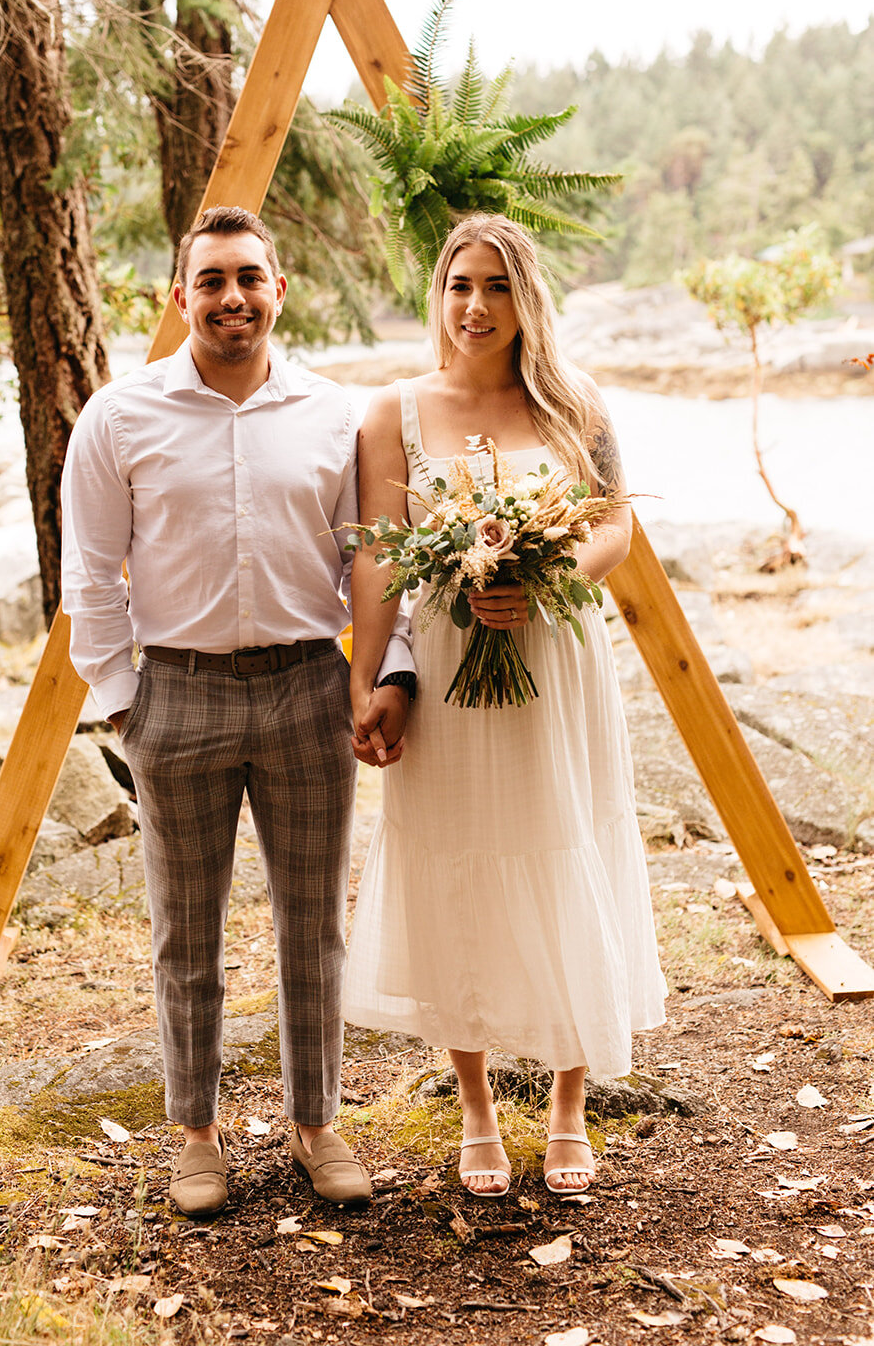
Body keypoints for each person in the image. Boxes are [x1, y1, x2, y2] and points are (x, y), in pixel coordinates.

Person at [60, 205, 413, 1216]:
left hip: (309, 691)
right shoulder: (118, 417)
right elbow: (90, 573)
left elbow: (373, 562)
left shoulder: (336, 415)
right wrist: (126, 706)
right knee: (185, 933)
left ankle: (317, 1122)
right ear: (180, 298)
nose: (231, 298)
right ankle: (193, 1135)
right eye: (210, 280)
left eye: (249, 278)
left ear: (278, 290)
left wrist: (380, 674)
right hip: (178, 698)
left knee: (313, 926)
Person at [343, 213, 665, 1198]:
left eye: (493, 287)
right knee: (458, 861)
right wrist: (364, 678)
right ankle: (476, 1104)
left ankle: (567, 1103)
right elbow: (373, 552)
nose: (473, 307)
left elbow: (613, 521)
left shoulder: (579, 408)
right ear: (436, 295)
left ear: (524, 300)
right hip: (445, 671)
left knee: (565, 843)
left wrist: (549, 568)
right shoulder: (391, 413)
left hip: (554, 659)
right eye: (456, 285)